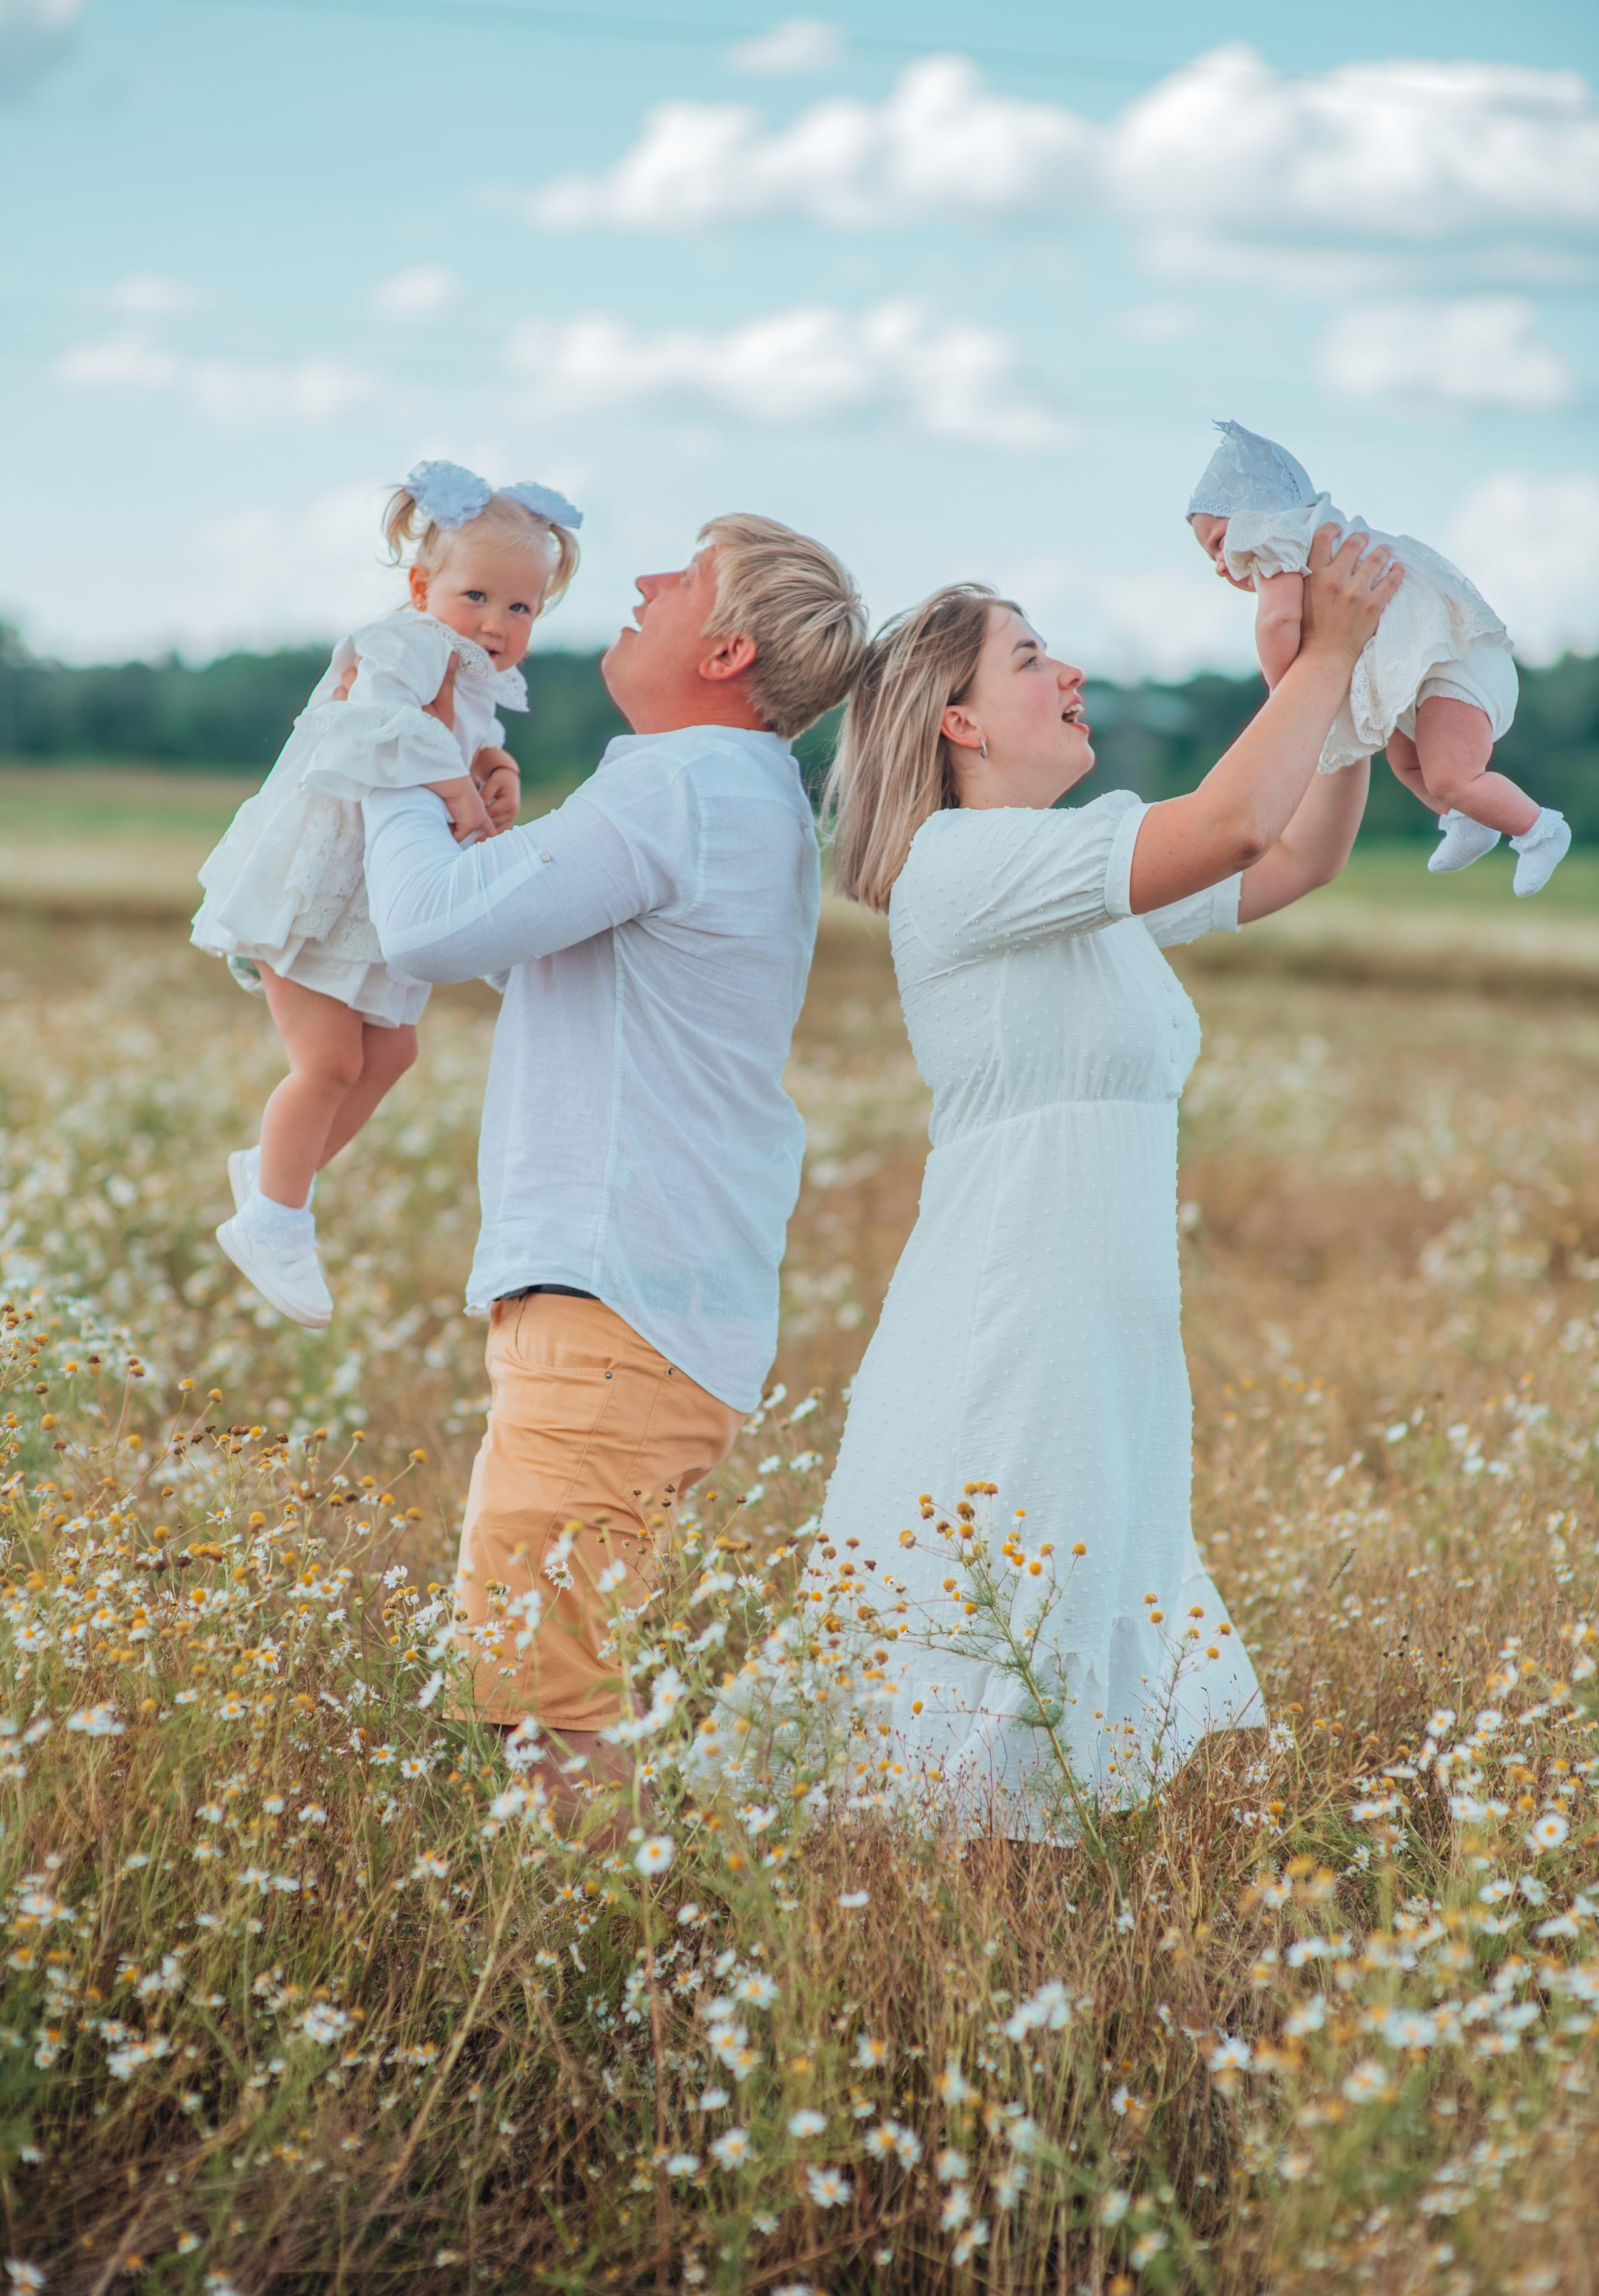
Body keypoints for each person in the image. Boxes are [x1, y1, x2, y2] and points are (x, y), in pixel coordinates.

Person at [815, 522, 1401, 1833]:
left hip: (1101, 1340)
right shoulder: (962, 869)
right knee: (975, 1715)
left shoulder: (1074, 869)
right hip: (1014, 1329)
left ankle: (989, 1983)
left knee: (1045, 1715)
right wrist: (1331, 655)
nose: (1067, 670)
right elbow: (1240, 822)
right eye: (1030, 658)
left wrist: (1328, 690)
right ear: (957, 724)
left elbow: (1293, 853)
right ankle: (925, 1988)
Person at [359, 514, 867, 1825]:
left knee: (546, 1688)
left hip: (611, 1304)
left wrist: (385, 752)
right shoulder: (723, 793)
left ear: (727, 648)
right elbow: (509, 929)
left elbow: (421, 931)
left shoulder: (681, 787)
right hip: (643, 1305)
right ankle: (605, 1949)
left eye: (680, 576)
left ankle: (599, 1976)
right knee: (551, 1664)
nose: (640, 583)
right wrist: (483, 842)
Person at [192, 460, 582, 1328]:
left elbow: (459, 746)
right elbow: (373, 732)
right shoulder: (402, 646)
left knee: (392, 1055)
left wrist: (496, 769)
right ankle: (275, 1216)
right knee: (328, 1062)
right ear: (421, 586)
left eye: (521, 608)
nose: (496, 623)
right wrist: (457, 791)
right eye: (478, 596)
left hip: (370, 912)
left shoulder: (479, 680)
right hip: (315, 896)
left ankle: (272, 1175)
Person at [1187, 419, 1568, 896]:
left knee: (1452, 775)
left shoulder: (1271, 538)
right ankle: (1467, 819)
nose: (1223, 564)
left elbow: (1277, 623)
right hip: (1432, 674)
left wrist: (1285, 695)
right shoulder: (1311, 534)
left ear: (1251, 515)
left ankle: (1539, 831)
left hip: (1455, 666)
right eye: (1211, 557)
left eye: (1220, 542)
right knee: (1407, 760)